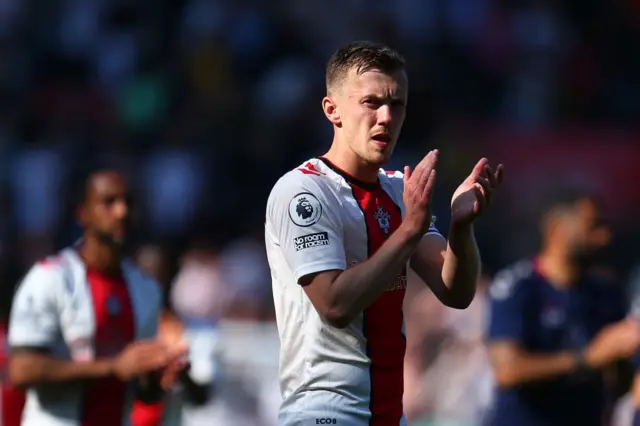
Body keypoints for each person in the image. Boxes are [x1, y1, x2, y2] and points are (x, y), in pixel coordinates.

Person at [264, 40, 503, 426]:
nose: (387, 118)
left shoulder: (396, 190)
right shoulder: (304, 192)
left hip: (389, 416)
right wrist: (410, 229)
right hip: (326, 414)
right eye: (371, 103)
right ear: (333, 110)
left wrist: (461, 228)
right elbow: (335, 305)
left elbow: (456, 292)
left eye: (397, 105)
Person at [8, 170, 187, 426]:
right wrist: (113, 367)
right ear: (83, 213)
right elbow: (21, 370)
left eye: (128, 202)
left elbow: (143, 393)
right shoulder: (49, 278)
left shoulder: (146, 289)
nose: (121, 211)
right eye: (108, 202)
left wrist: (157, 376)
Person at [486, 190, 639, 426]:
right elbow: (507, 370)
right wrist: (586, 359)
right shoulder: (518, 288)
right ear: (557, 230)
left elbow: (620, 380)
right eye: (593, 226)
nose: (604, 237)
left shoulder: (606, 292)